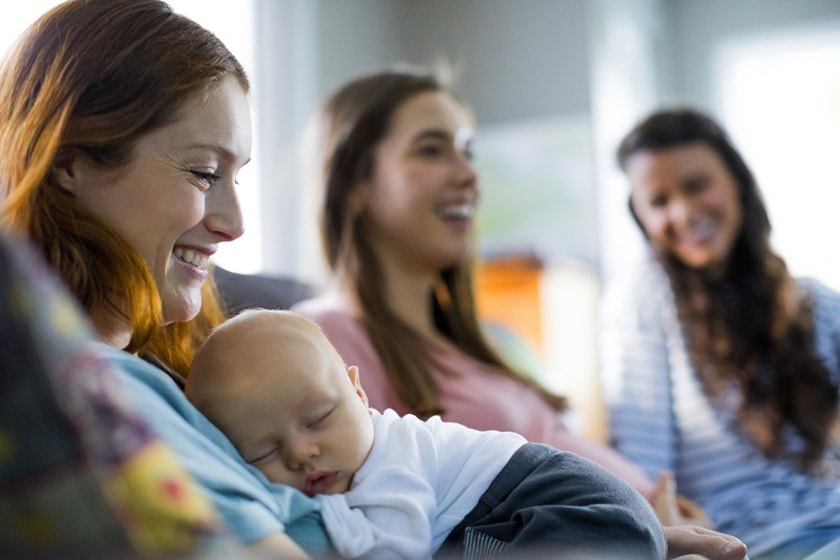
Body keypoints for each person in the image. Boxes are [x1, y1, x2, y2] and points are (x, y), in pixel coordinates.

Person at [290, 66, 748, 559]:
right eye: (431, 149)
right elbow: (371, 525)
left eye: (468, 152)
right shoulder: (321, 341)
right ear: (354, 181)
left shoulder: (495, 343)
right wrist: (651, 536)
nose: (469, 174)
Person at [0, 1, 330, 558]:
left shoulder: (185, 376)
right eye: (204, 173)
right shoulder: (96, 394)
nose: (234, 225)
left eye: (236, 177)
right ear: (69, 162)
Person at [185, 308, 668, 560]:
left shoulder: (389, 457)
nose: (302, 453)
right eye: (264, 451)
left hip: (559, 502)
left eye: (317, 419)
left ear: (358, 392)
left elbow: (400, 545)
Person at [600, 106, 840, 560]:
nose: (684, 212)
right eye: (659, 201)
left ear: (738, 184)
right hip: (755, 542)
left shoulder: (817, 304)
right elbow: (648, 473)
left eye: (696, 186)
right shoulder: (644, 296)